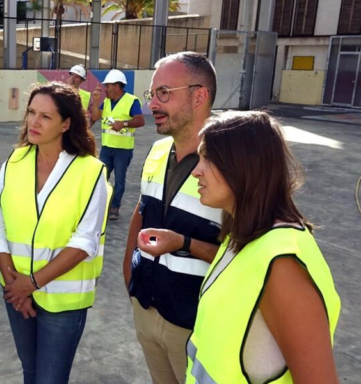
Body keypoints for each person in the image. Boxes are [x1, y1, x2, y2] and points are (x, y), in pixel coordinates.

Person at [181, 110, 341, 383]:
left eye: (208, 158)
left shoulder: (282, 264)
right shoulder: (243, 236)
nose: (196, 170)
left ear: (243, 165)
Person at [0, 82, 111, 384]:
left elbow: (84, 242)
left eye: (45, 116)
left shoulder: (90, 171)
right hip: (16, 292)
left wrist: (30, 284)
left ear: (66, 124)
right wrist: (17, 287)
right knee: (30, 373)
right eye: (31, 112)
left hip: (63, 302)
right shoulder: (13, 163)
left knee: (50, 379)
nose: (33, 122)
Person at [123, 52, 221, 384]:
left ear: (199, 95)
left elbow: (245, 253)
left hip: (197, 323)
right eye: (152, 94)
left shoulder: (231, 162)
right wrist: (130, 281)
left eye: (164, 93)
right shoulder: (158, 151)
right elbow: (141, 213)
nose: (153, 104)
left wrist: (184, 244)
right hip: (147, 307)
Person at [90, 69, 145, 220]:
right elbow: (95, 116)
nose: (105, 89)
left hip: (123, 149)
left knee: (119, 181)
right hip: (107, 148)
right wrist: (95, 102)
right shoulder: (106, 101)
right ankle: (99, 205)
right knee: (101, 178)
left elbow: (140, 120)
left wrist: (124, 123)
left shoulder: (131, 100)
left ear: (117, 86)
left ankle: (115, 207)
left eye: (107, 86)